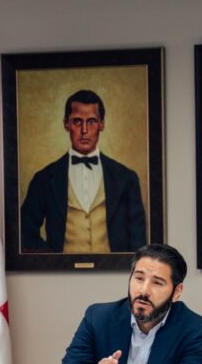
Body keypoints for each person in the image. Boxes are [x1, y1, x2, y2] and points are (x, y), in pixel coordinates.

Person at [52, 243, 202, 364]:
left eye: (157, 283)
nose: (144, 291)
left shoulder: (194, 330)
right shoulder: (98, 318)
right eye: (138, 278)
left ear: (177, 292)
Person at [20, 89, 147, 253]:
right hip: (59, 276)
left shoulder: (126, 178)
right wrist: (52, 262)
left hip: (114, 274)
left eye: (92, 121)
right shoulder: (43, 178)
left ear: (102, 124)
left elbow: (138, 239)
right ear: (66, 124)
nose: (85, 130)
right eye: (77, 122)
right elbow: (25, 231)